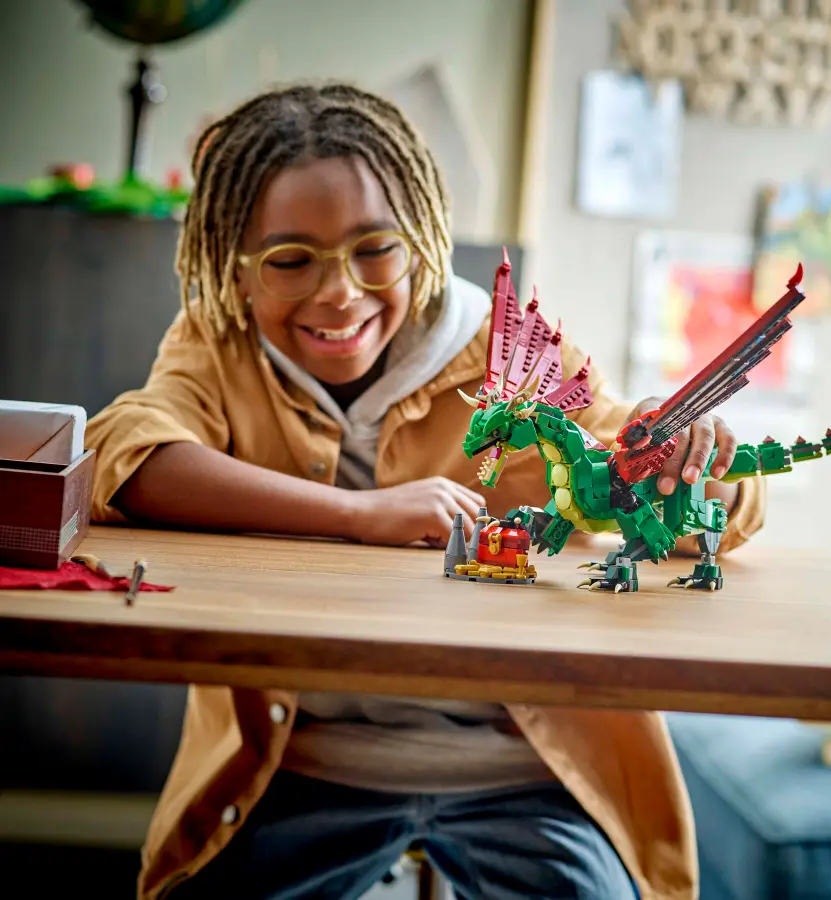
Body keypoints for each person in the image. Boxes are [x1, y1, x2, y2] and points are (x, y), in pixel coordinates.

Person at [85, 82, 766, 900]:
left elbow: (663, 472)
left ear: (423, 240)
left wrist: (689, 452)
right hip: (298, 764)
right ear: (235, 271)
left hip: (524, 770)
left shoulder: (510, 352)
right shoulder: (218, 344)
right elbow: (125, 454)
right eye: (291, 260)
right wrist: (358, 514)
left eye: (376, 249)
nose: (340, 292)